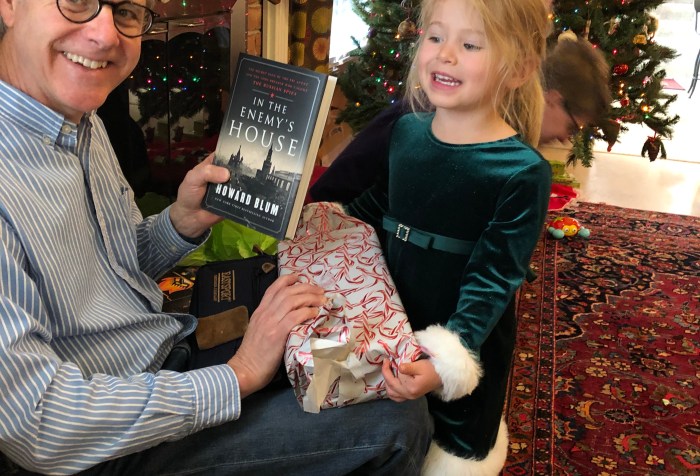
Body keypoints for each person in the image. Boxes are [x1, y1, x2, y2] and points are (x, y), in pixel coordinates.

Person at [0, 1, 432, 474]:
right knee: (396, 421)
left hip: (166, 344)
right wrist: (239, 375)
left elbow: (112, 272)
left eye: (125, 10)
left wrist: (181, 221)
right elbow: (39, 423)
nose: (105, 36)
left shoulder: (84, 121)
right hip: (104, 439)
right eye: (77, 1)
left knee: (360, 339)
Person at [333, 0, 552, 473]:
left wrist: (446, 361)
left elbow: (494, 279)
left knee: (448, 449)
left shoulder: (521, 171)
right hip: (391, 312)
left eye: (470, 45)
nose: (445, 54)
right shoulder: (406, 132)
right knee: (381, 418)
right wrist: (331, 220)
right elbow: (380, 203)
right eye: (435, 37)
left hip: (461, 328)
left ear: (518, 69)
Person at [308, 36, 611, 204]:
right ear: (552, 98)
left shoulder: (494, 116)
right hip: (343, 217)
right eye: (573, 126)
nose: (566, 138)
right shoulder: (468, 121)